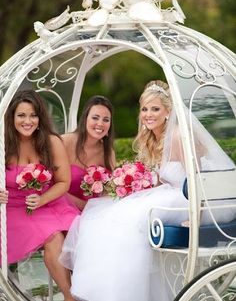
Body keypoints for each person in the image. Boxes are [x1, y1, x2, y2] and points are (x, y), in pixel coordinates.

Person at [60, 80, 236, 301]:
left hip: (193, 200)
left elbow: (198, 181)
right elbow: (163, 181)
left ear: (167, 112)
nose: (148, 114)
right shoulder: (155, 138)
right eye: (145, 109)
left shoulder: (178, 136)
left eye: (155, 109)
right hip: (172, 193)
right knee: (104, 216)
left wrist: (196, 216)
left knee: (127, 220)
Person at [0, 89, 79, 301]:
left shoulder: (51, 141)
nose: (28, 121)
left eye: (33, 115)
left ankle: (78, 294)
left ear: (40, 117)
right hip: (13, 210)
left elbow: (64, 181)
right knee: (50, 236)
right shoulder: (3, 143)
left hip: (49, 203)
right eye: (21, 115)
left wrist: (41, 199)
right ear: (12, 117)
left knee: (66, 234)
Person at [62, 95, 116, 211]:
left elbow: (109, 193)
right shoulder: (64, 143)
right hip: (60, 206)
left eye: (106, 120)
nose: (100, 124)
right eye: (95, 118)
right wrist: (83, 206)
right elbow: (49, 185)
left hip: (91, 213)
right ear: (85, 118)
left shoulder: (108, 152)